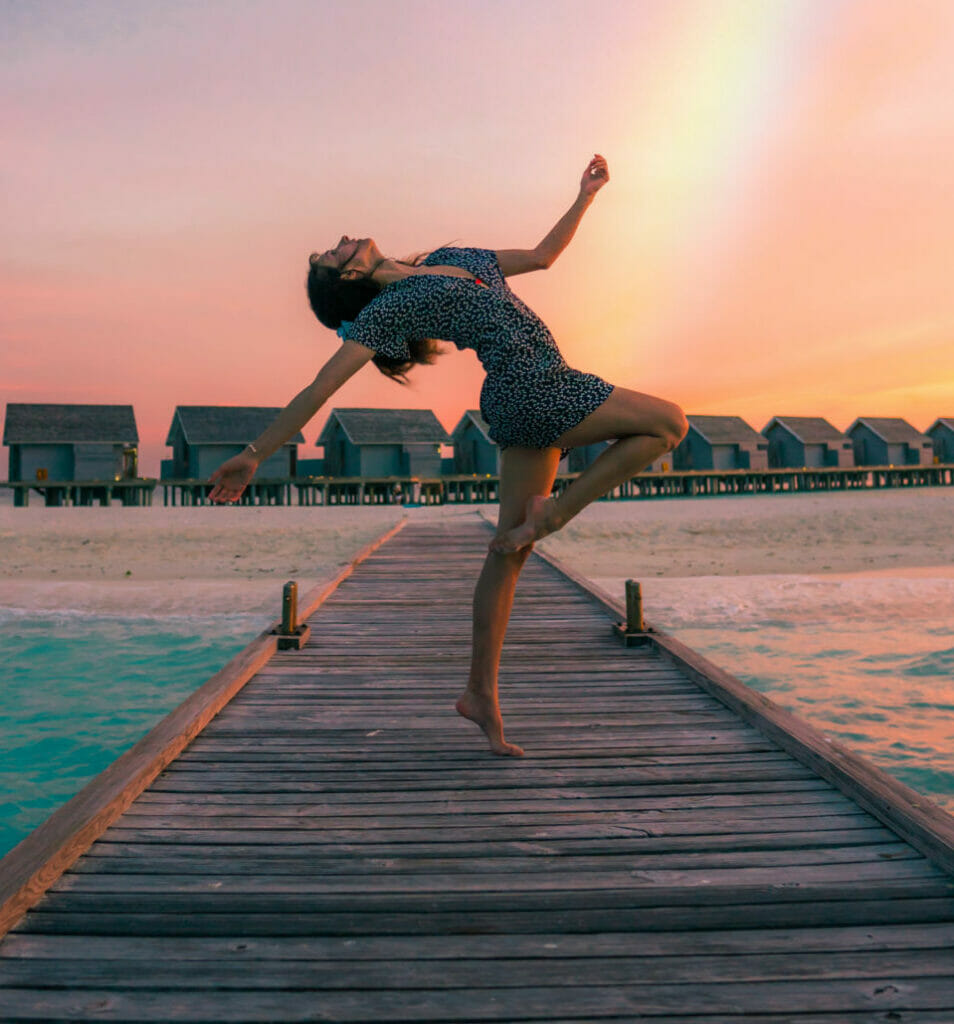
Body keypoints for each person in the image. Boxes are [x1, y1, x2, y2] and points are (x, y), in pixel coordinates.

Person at [208, 153, 688, 757]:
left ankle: (479, 694)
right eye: (336, 253)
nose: (343, 239)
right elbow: (319, 390)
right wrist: (254, 454)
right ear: (350, 279)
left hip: (524, 398)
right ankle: (556, 513)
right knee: (669, 422)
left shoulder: (452, 261)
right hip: (536, 389)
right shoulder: (392, 309)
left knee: (509, 550)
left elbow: (542, 256)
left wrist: (585, 196)